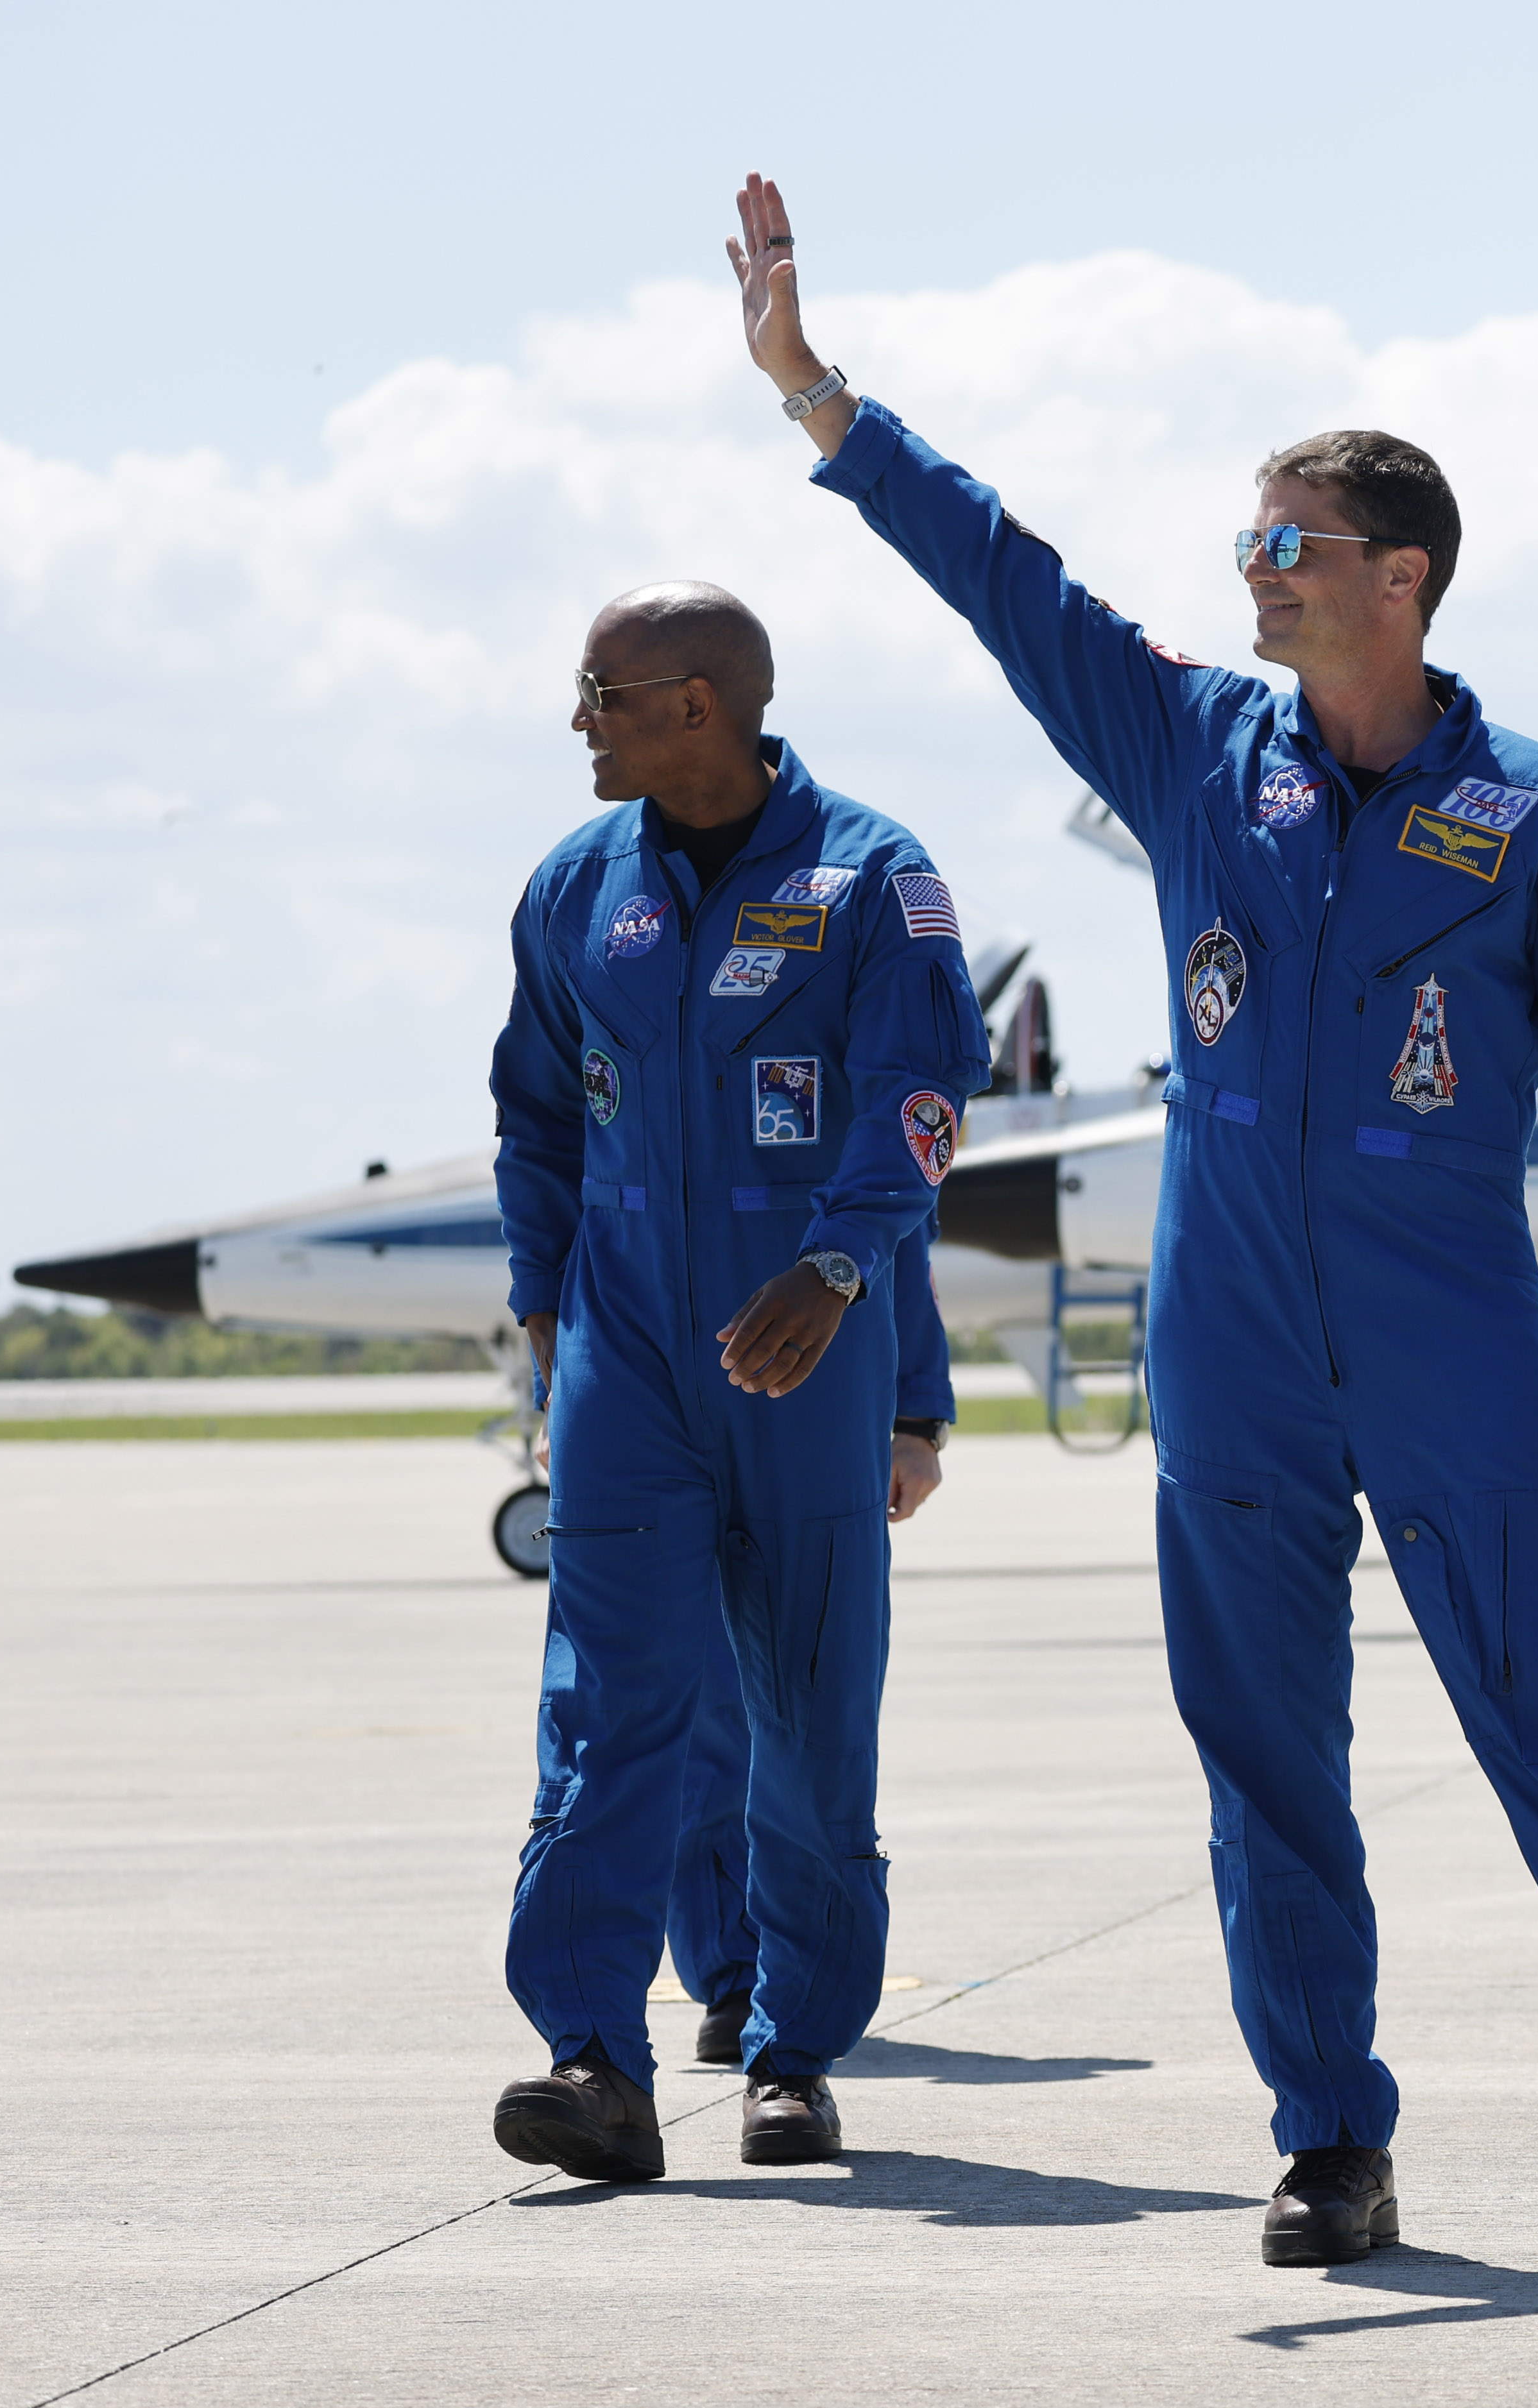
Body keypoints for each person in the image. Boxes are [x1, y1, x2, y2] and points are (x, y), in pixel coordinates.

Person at [726, 173, 1538, 2266]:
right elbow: (1010, 584)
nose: (1251, 575)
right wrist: (822, 403)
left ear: (1401, 578)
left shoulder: (1534, 817)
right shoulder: (1199, 750)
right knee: (1262, 1753)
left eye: (1285, 546)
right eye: (1245, 543)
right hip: (1228, 1340)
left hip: (1447, 1324)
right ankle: (1329, 2133)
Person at [486, 579, 991, 2180]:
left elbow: (922, 1100)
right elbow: (538, 1117)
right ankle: (592, 2056)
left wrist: (841, 1269)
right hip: (629, 1357)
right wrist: (547, 1314)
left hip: (808, 1355)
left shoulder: (875, 881)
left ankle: (790, 2048)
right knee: (610, 1707)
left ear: (700, 702)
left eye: (603, 691)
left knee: (810, 1710)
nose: (581, 718)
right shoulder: (573, 889)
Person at [673, 1225, 960, 2069]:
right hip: (658, 1405)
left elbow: (897, 1228)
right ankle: (735, 1973)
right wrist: (564, 1386)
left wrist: (915, 1418)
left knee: (808, 1720)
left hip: (817, 1411)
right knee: (700, 1711)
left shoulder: (849, 1103)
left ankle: (789, 1996)